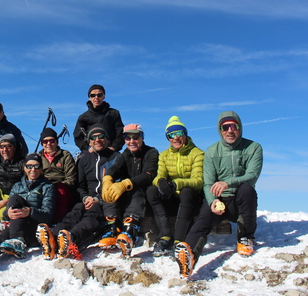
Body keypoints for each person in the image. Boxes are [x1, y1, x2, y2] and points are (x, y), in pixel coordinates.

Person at [175, 111, 263, 278]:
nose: (230, 131)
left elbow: (252, 176)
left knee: (247, 190)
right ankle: (189, 254)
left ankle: (245, 238)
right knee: (203, 220)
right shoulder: (212, 151)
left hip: (241, 201)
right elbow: (208, 183)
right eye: (225, 127)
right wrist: (212, 201)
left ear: (239, 127)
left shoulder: (253, 148)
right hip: (220, 200)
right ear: (220, 130)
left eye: (233, 126)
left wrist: (227, 182)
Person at [36, 124, 119, 260]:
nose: (97, 140)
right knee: (76, 211)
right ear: (89, 141)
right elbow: (79, 185)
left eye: (101, 136)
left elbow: (118, 182)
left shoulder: (115, 157)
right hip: (87, 198)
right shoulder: (85, 159)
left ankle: (72, 237)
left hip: (106, 200)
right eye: (93, 137)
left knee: (92, 215)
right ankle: (53, 236)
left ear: (107, 139)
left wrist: (97, 199)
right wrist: (85, 197)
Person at [146, 116, 204, 257]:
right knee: (152, 191)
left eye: (178, 133)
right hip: (172, 198)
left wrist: (176, 183)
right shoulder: (164, 155)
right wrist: (161, 182)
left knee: (186, 191)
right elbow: (159, 174)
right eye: (170, 135)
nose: (175, 138)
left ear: (185, 134)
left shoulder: (198, 154)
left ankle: (179, 240)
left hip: (191, 200)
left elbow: (199, 180)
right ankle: (165, 236)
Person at [99, 124, 158, 257]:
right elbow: (114, 168)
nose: (131, 141)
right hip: (127, 193)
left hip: (142, 195)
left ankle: (129, 231)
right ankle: (113, 228)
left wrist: (127, 183)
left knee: (136, 191)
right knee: (110, 191)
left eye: (135, 137)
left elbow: (149, 174)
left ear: (141, 137)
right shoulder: (125, 154)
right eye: (127, 138)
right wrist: (107, 179)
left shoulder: (151, 152)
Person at [36, 127, 77, 223]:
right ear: (42, 143)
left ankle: (57, 222)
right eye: (45, 141)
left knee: (59, 191)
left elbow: (71, 179)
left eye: (52, 141)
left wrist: (56, 185)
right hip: (43, 186)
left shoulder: (65, 155)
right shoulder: (38, 157)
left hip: (61, 187)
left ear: (57, 142)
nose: (48, 144)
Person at [73, 84, 125, 153]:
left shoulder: (114, 113)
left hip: (111, 152)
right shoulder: (83, 117)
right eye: (93, 95)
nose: (96, 97)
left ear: (104, 96)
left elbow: (121, 133)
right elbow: (78, 137)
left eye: (99, 95)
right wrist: (87, 148)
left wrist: (114, 147)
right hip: (90, 152)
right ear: (89, 98)